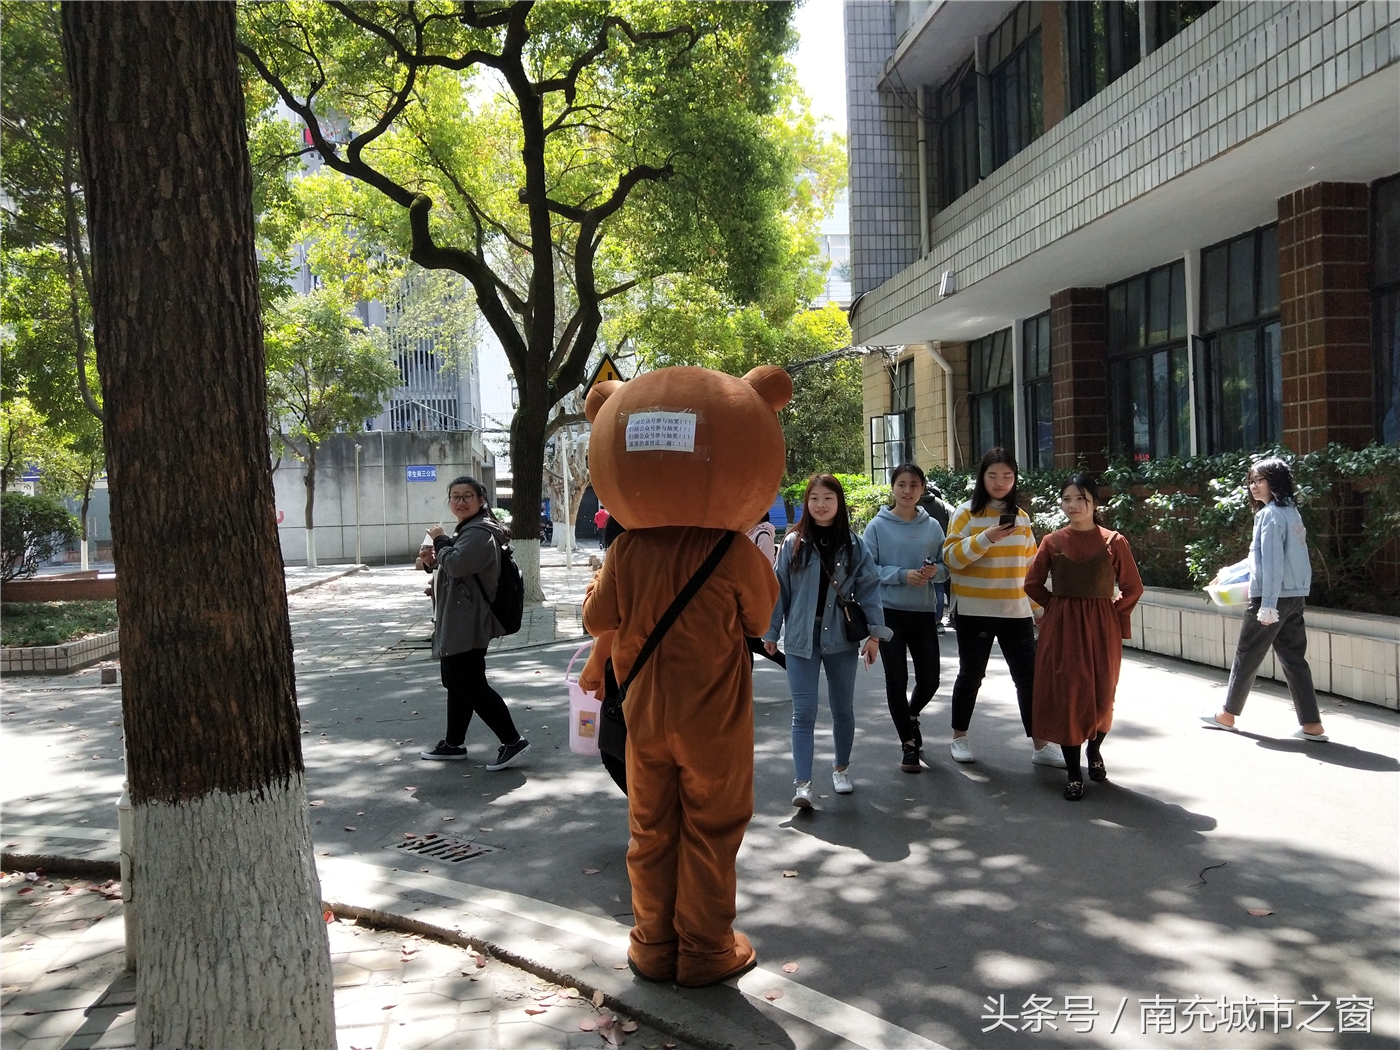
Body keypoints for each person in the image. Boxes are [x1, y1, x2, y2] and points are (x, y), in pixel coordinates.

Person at [763, 474, 890, 807]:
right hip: (802, 640)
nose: (820, 505)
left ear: (839, 503)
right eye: (814, 498)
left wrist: (875, 634)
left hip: (841, 641)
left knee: (842, 710)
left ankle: (841, 769)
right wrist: (772, 632)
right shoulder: (793, 543)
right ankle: (802, 784)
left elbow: (870, 589)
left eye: (828, 498)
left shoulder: (854, 544)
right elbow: (780, 593)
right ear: (807, 503)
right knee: (803, 713)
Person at [1024, 474, 1144, 800]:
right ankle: (1074, 774)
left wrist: (1111, 614)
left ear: (1094, 502)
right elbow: (1031, 584)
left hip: (1102, 629)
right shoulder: (1052, 541)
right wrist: (1056, 607)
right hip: (1061, 630)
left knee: (1103, 695)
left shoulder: (1114, 541)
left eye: (1080, 499)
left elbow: (1133, 588)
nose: (1073, 505)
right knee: (1069, 696)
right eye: (1067, 499)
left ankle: (1095, 750)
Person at [942, 448, 1058, 766]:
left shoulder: (1021, 518)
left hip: (1015, 610)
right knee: (971, 674)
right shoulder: (965, 513)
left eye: (1007, 476)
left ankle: (1041, 743)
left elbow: (1030, 568)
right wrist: (987, 537)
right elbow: (951, 559)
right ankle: (959, 738)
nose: (1000, 482)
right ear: (981, 477)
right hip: (974, 609)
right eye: (993, 475)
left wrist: (1038, 609)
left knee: (1028, 677)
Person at [1201, 457, 1328, 742]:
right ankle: (1312, 724)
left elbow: (1269, 563)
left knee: (1247, 654)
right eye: (1251, 481)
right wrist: (1228, 573)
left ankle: (1227, 715)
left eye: (1259, 480)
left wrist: (1268, 604)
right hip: (1294, 595)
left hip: (1271, 598)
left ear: (1275, 481)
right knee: (1294, 659)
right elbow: (1262, 558)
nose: (1253, 486)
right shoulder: (1291, 512)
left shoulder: (1269, 515)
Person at [419, 476, 531, 770]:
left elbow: (457, 564)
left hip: (468, 621)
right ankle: (453, 744)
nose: (460, 501)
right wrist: (434, 562)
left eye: (467, 496)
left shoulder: (480, 531)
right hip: (457, 618)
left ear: (481, 500)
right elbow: (458, 569)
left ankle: (512, 740)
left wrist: (440, 540)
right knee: (457, 683)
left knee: (470, 683)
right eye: (455, 496)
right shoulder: (469, 530)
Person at [861, 464, 949, 774]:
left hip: (923, 612)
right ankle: (908, 745)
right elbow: (868, 570)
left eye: (914, 484)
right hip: (889, 613)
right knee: (896, 680)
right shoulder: (877, 527)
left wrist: (932, 573)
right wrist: (902, 576)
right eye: (901, 484)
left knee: (930, 679)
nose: (907, 490)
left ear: (922, 489)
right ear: (893, 488)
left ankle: (911, 715)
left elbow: (944, 567)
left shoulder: (933, 527)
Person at [919, 484, 956, 631]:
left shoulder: (913, 504)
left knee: (927, 582)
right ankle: (938, 620)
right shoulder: (943, 505)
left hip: (921, 548)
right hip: (941, 546)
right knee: (939, 586)